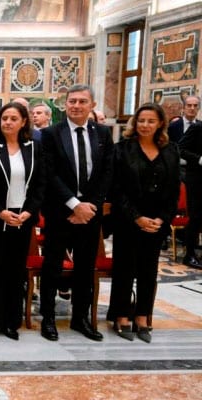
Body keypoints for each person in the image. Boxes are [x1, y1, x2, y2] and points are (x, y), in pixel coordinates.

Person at [39, 84, 114, 342]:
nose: (76, 106)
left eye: (82, 101)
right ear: (65, 104)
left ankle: (80, 318)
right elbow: (49, 173)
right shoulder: (50, 134)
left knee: (85, 267)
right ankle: (48, 318)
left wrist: (89, 206)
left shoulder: (103, 133)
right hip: (60, 211)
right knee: (52, 266)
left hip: (90, 213)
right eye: (72, 101)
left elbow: (106, 172)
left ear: (91, 105)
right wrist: (74, 204)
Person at [0, 102, 45, 342]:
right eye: (4, 118)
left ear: (24, 122)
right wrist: (0, 212)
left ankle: (11, 322)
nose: (8, 123)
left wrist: (29, 212)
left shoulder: (34, 148)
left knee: (15, 272)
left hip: (22, 218)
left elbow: (40, 185)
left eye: (14, 118)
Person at [109, 103, 180, 343]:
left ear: (160, 123)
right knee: (124, 269)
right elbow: (116, 189)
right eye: (141, 121)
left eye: (150, 121)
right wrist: (137, 217)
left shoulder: (171, 151)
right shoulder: (122, 149)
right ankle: (121, 315)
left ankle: (142, 316)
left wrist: (161, 219)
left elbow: (173, 191)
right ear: (134, 123)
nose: (145, 125)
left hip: (156, 221)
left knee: (148, 271)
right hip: (129, 219)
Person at [180, 120, 202, 269]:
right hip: (197, 179)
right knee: (196, 217)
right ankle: (189, 255)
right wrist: (199, 159)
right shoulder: (197, 127)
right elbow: (180, 148)